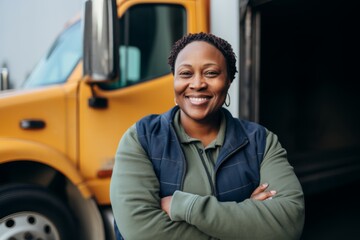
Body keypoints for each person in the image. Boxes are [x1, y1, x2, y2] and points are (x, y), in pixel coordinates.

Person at [110, 32, 305, 240]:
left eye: (211, 73)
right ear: (174, 80)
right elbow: (141, 232)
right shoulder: (142, 138)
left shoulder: (261, 141)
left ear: (229, 80)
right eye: (185, 73)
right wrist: (245, 221)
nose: (197, 84)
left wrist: (184, 206)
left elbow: (288, 222)